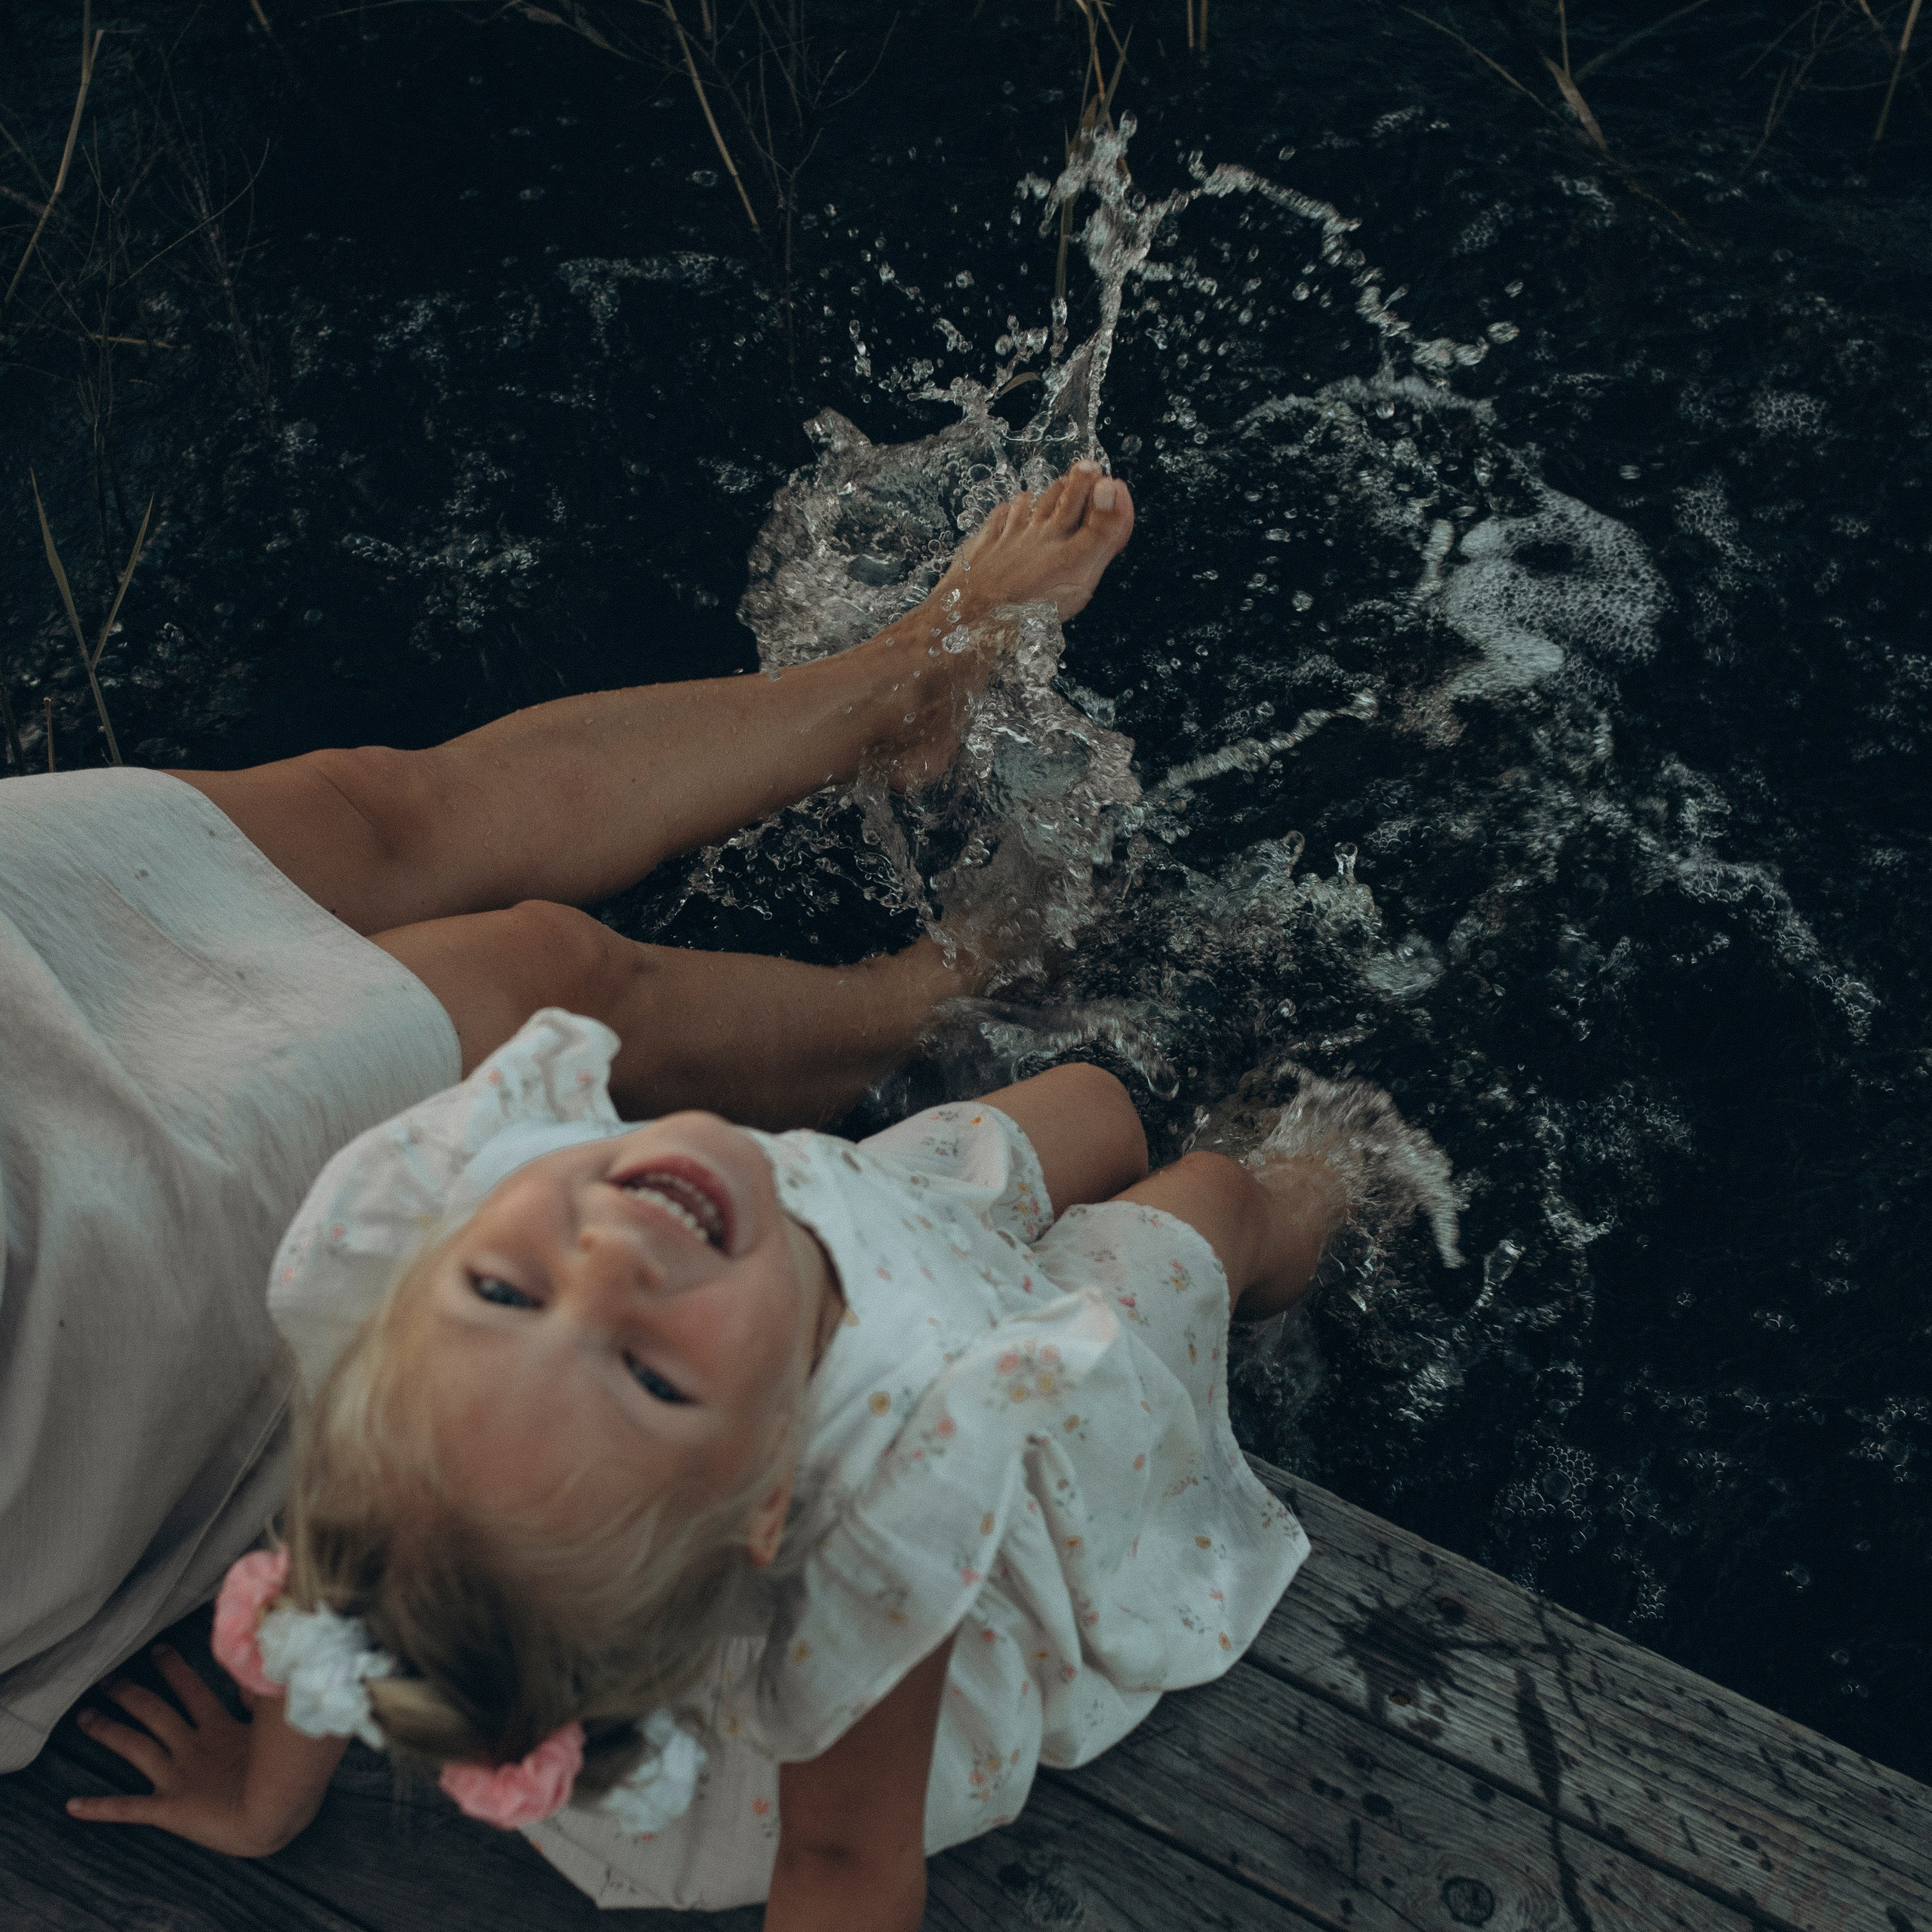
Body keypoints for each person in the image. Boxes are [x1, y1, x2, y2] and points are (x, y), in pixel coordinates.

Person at [0, 461, 1134, 1773]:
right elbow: (363, 1500)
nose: (600, 1266)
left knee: (378, 809)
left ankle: (909, 678)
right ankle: (912, 1004)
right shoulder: (917, 1467)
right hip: (52, 1240)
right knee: (548, 978)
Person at [66, 1011, 1411, 1926]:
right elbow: (840, 1858)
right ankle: (1351, 1183)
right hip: (1000, 1408)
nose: (606, 1264)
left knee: (1092, 1105)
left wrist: (262, 1799)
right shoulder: (883, 1507)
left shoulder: (496, 1306)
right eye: (650, 1376)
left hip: (858, 1237)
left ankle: (1138, 1175)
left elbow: (367, 1576)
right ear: (776, 1493)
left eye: (504, 1285)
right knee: (1219, 1207)